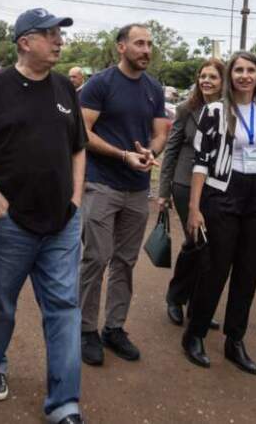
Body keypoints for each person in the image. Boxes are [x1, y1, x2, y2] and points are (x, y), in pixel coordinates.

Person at [0, 8, 86, 424]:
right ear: (24, 42)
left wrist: (75, 198)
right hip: (10, 224)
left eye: (59, 34)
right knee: (0, 303)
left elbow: (78, 148)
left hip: (62, 223)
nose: (59, 41)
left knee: (64, 308)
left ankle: (64, 404)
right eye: (50, 34)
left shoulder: (65, 88)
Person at [181, 51, 256, 375]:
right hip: (222, 192)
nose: (244, 75)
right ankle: (195, 333)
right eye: (238, 70)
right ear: (231, 76)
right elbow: (200, 161)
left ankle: (235, 340)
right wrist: (194, 208)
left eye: (250, 70)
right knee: (215, 268)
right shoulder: (214, 111)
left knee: (248, 272)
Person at [79, 23, 168, 366]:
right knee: (96, 257)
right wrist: (122, 155)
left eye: (149, 44)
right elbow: (83, 132)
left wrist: (150, 152)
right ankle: (85, 329)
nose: (146, 50)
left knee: (125, 262)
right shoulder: (100, 84)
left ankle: (114, 328)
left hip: (137, 189)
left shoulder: (154, 88)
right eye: (139, 43)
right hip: (102, 184)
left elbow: (160, 133)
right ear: (121, 47)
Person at [157, 58, 225, 329]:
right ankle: (176, 298)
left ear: (223, 81)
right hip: (185, 184)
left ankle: (197, 306)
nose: (206, 81)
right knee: (197, 242)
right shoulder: (187, 108)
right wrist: (163, 192)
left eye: (213, 77)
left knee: (211, 247)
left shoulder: (230, 110)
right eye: (203, 76)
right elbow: (172, 150)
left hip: (218, 186)